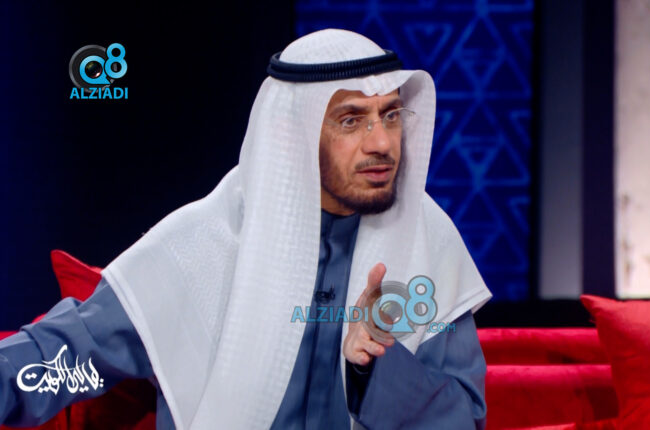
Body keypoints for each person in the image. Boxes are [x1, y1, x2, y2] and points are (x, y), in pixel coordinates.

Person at [0, 29, 492, 429]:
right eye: (350, 120)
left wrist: (376, 369)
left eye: (390, 115)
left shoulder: (428, 241)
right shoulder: (202, 243)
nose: (382, 142)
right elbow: (65, 357)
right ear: (292, 134)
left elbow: (464, 419)